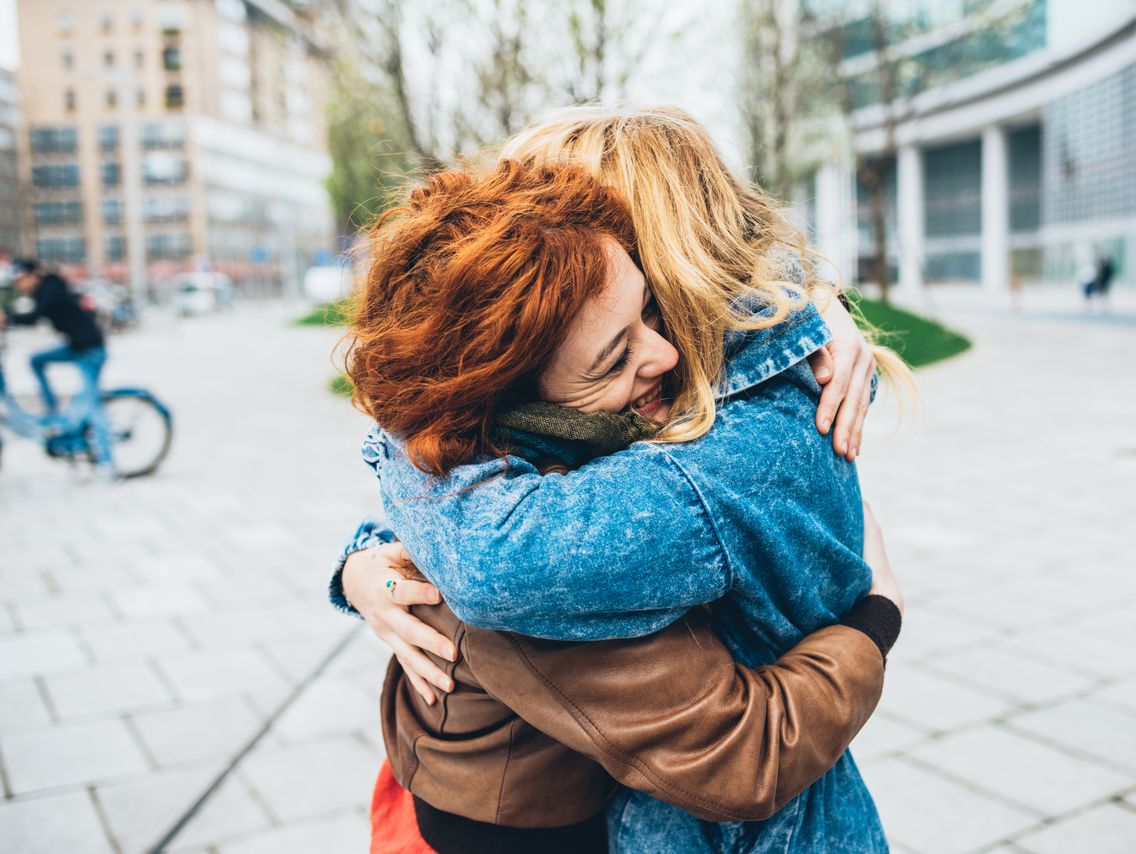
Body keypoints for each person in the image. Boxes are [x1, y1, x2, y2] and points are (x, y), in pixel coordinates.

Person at [336, 107, 915, 852]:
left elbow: (495, 555)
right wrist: (363, 565)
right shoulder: (589, 454)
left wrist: (879, 615)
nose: (662, 355)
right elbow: (489, 525)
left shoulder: (706, 460)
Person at [3, 258, 115, 477]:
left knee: (92, 405)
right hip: (75, 346)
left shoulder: (50, 289)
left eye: (21, 280)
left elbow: (35, 316)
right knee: (36, 360)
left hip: (90, 352)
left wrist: (7, 318)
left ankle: (107, 463)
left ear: (33, 275)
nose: (19, 285)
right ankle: (52, 409)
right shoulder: (47, 288)